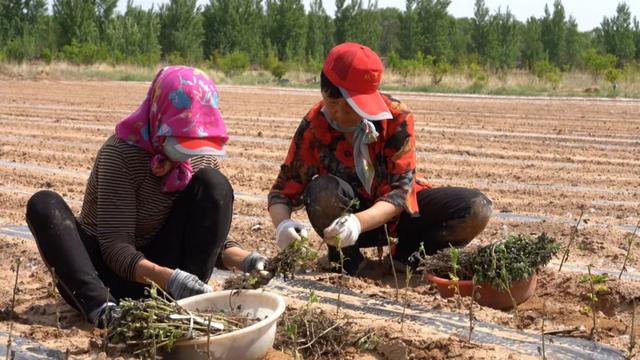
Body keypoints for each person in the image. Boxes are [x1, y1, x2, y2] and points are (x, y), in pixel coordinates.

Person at [26, 66, 267, 328]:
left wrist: (246, 261)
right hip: (105, 274)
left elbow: (207, 235)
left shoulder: (201, 156)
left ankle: (188, 301)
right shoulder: (121, 155)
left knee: (215, 185)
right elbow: (115, 248)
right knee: (44, 204)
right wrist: (170, 278)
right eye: (183, 139)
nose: (191, 151)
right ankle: (103, 311)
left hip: (164, 279)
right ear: (160, 118)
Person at [268, 43, 493, 276]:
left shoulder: (396, 117)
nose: (342, 115)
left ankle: (408, 258)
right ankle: (347, 262)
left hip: (397, 217)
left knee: (476, 208)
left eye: (352, 107)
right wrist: (283, 225)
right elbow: (282, 190)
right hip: (342, 228)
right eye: (334, 105)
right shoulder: (315, 125)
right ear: (323, 91)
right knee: (321, 189)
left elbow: (399, 192)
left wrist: (358, 222)